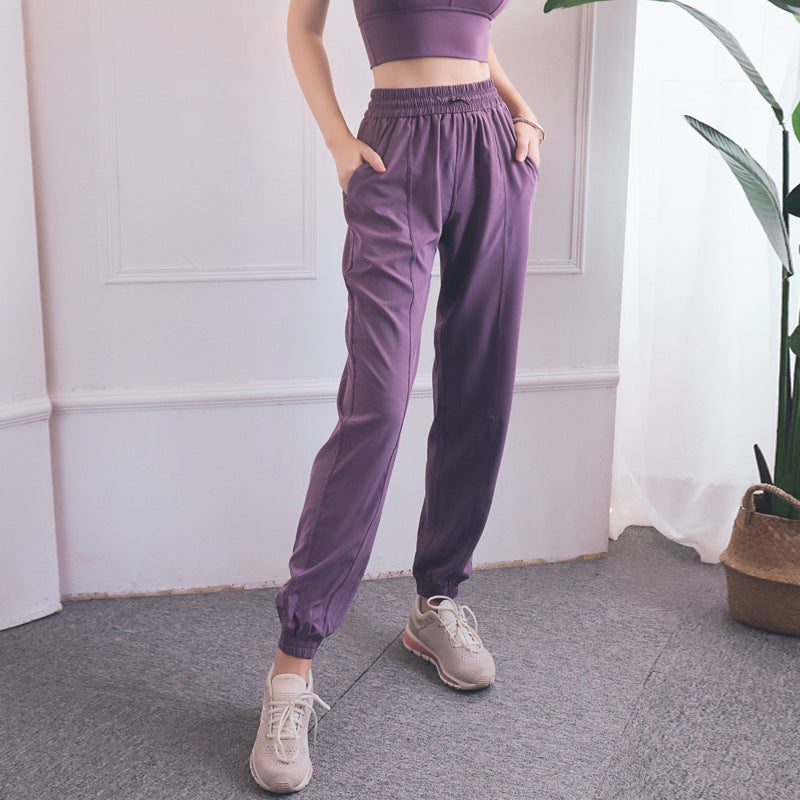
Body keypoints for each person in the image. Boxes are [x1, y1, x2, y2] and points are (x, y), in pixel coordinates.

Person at [250, 0, 544, 793]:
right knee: (375, 408)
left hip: (491, 142)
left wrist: (521, 109)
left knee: (481, 386)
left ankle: (436, 598)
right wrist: (337, 143)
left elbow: (476, 36)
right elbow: (303, 27)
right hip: (394, 150)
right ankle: (293, 663)